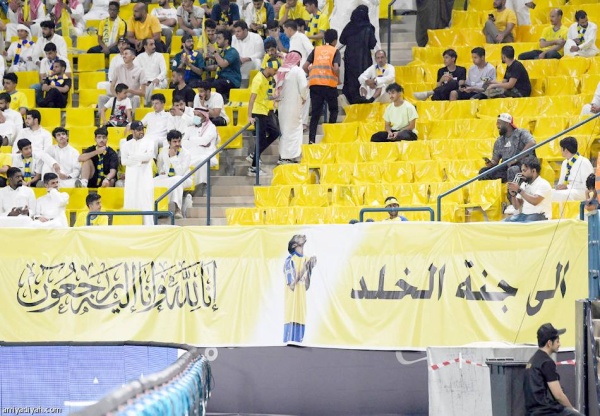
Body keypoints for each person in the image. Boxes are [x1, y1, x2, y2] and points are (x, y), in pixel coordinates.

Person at [524, 324, 582, 415]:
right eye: (557, 341)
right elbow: (558, 395)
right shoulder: (546, 362)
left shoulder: (533, 360)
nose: (559, 344)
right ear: (549, 343)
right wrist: (573, 410)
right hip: (546, 412)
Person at [303, 29, 340, 145]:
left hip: (315, 85)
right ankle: (330, 136)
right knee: (333, 110)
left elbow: (305, 66)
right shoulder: (335, 51)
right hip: (329, 85)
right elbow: (336, 68)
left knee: (315, 114)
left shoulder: (316, 49)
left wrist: (311, 74)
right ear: (335, 40)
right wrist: (337, 76)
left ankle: (311, 140)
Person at [480, 113, 535, 183]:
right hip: (505, 167)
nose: (497, 126)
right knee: (483, 172)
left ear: (507, 123)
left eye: (499, 123)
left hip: (522, 165)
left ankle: (513, 193)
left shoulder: (521, 133)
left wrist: (515, 159)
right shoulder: (499, 141)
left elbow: (532, 143)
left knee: (513, 170)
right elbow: (495, 161)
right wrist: (490, 163)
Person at [339, 5, 377, 106]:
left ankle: (351, 99)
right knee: (363, 79)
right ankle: (363, 98)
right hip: (364, 60)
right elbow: (372, 44)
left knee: (351, 79)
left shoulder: (350, 26)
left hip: (350, 58)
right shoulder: (369, 28)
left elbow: (341, 40)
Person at [274, 51, 307, 164]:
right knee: (294, 129)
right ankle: (289, 157)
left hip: (282, 106)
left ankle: (282, 155)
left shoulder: (280, 70)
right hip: (294, 104)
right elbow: (303, 87)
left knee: (284, 130)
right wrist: (304, 97)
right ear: (298, 60)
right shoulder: (297, 70)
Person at [283, 234, 317, 343]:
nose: (302, 236)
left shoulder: (306, 259)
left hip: (302, 312)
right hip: (291, 313)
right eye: (298, 237)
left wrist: (310, 268)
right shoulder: (290, 260)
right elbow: (292, 285)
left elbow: (306, 286)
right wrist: (303, 269)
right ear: (294, 245)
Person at [247, 65, 280, 175]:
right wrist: (249, 116)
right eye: (274, 70)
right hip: (257, 112)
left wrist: (274, 98)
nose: (275, 72)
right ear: (268, 67)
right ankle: (254, 168)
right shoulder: (258, 79)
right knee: (260, 139)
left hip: (265, 111)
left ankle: (254, 153)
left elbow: (265, 96)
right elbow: (252, 99)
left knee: (275, 133)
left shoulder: (268, 79)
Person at [121, 120, 155, 225]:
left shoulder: (149, 142)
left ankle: (149, 226)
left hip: (145, 177)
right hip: (131, 178)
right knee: (131, 199)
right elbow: (124, 161)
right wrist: (140, 160)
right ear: (132, 131)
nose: (141, 132)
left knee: (145, 200)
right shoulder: (126, 145)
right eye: (138, 130)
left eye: (142, 129)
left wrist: (133, 158)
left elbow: (148, 157)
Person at [154, 129, 192, 219]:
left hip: (184, 178)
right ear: (169, 142)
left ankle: (178, 209)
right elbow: (159, 164)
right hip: (168, 177)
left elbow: (180, 172)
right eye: (174, 141)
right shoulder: (163, 150)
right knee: (152, 181)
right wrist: (161, 171)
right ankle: (159, 209)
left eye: (179, 141)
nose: (177, 144)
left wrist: (173, 157)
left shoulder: (186, 153)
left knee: (177, 180)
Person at [504, 156, 552, 222]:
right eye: (522, 171)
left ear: (533, 171)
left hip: (541, 215)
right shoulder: (524, 184)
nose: (522, 173)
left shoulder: (543, 184)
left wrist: (519, 190)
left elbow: (535, 201)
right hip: (525, 215)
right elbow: (516, 206)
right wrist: (513, 195)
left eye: (524, 171)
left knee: (524, 224)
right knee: (505, 222)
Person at [182, 107, 219, 192]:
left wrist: (190, 140)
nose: (195, 117)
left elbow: (205, 141)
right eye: (194, 115)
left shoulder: (211, 127)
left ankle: (202, 185)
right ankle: (188, 186)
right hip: (191, 154)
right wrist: (199, 142)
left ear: (204, 116)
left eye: (198, 115)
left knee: (202, 161)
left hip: (207, 154)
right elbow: (183, 142)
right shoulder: (190, 128)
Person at [99, 48, 146, 114]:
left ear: (133, 56)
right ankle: (103, 121)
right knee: (102, 97)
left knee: (136, 98)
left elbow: (143, 93)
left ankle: (131, 122)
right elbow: (112, 87)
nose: (124, 56)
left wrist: (130, 90)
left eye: (126, 54)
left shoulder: (140, 71)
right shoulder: (117, 68)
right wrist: (117, 97)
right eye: (123, 54)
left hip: (130, 98)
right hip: (118, 96)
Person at [552, 136, 594, 202]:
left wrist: (568, 187)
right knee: (550, 193)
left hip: (582, 191)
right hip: (568, 190)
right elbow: (561, 182)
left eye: (561, 149)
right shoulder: (564, 163)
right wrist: (559, 187)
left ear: (565, 150)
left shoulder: (584, 162)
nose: (560, 151)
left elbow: (588, 186)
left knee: (562, 195)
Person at [207, 30, 242, 102]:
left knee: (216, 84)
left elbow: (222, 64)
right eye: (216, 38)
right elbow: (219, 62)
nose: (217, 41)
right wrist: (211, 57)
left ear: (226, 41)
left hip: (232, 81)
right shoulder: (223, 52)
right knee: (203, 84)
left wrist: (214, 52)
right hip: (221, 78)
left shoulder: (232, 51)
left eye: (219, 38)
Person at [134, 38, 168, 103]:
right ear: (145, 46)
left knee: (155, 89)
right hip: (144, 83)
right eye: (151, 44)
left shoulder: (159, 56)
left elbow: (164, 71)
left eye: (154, 44)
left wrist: (158, 78)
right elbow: (136, 72)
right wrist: (144, 82)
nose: (154, 46)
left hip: (156, 82)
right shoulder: (139, 57)